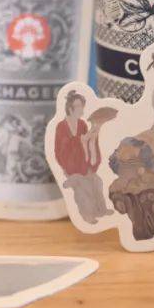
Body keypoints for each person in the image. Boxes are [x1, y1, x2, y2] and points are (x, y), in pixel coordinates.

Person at [53, 92, 113, 222]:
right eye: (78, 106)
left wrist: (92, 137)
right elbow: (62, 150)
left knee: (97, 181)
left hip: (83, 165)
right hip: (70, 167)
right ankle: (87, 214)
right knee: (83, 185)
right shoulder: (61, 126)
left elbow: (87, 144)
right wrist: (80, 140)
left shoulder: (82, 124)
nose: (81, 109)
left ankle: (101, 210)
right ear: (70, 108)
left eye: (82, 106)